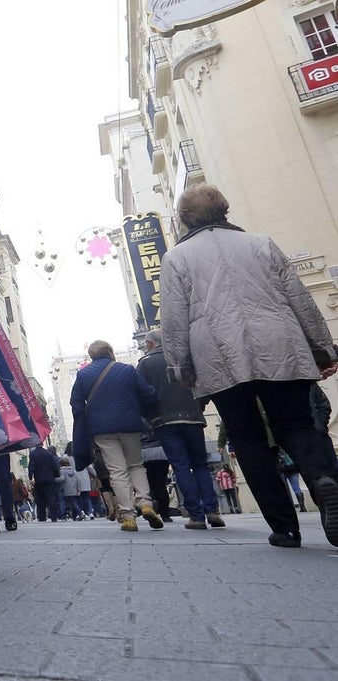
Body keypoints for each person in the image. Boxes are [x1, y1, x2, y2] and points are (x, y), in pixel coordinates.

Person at [160, 184, 338, 548]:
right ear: (225, 209)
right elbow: (299, 298)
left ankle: (284, 527)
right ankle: (323, 479)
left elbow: (174, 320)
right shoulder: (261, 244)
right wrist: (323, 348)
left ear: (184, 219)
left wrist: (180, 369)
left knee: (247, 438)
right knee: (298, 424)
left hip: (218, 355)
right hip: (279, 342)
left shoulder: (176, 258)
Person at [70, 340, 161, 532]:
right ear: (110, 351)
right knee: (136, 465)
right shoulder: (127, 370)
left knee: (117, 471)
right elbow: (149, 394)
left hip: (102, 429)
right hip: (130, 424)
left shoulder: (83, 375)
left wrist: (86, 422)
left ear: (92, 356)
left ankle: (128, 516)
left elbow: (76, 404)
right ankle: (145, 503)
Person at [136, 329, 223, 530]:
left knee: (181, 466)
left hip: (164, 421)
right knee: (200, 465)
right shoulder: (185, 358)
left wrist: (149, 416)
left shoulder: (145, 364)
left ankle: (196, 515)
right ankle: (212, 510)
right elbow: (203, 384)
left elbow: (141, 395)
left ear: (150, 344)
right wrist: (199, 406)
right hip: (193, 418)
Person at [27, 442, 60, 522]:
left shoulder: (33, 454)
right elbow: (55, 466)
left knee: (40, 498)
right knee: (51, 497)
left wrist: (30, 476)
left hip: (39, 479)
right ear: (42, 444)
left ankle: (42, 516)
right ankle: (53, 516)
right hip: (50, 479)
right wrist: (56, 475)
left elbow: (31, 466)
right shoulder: (48, 454)